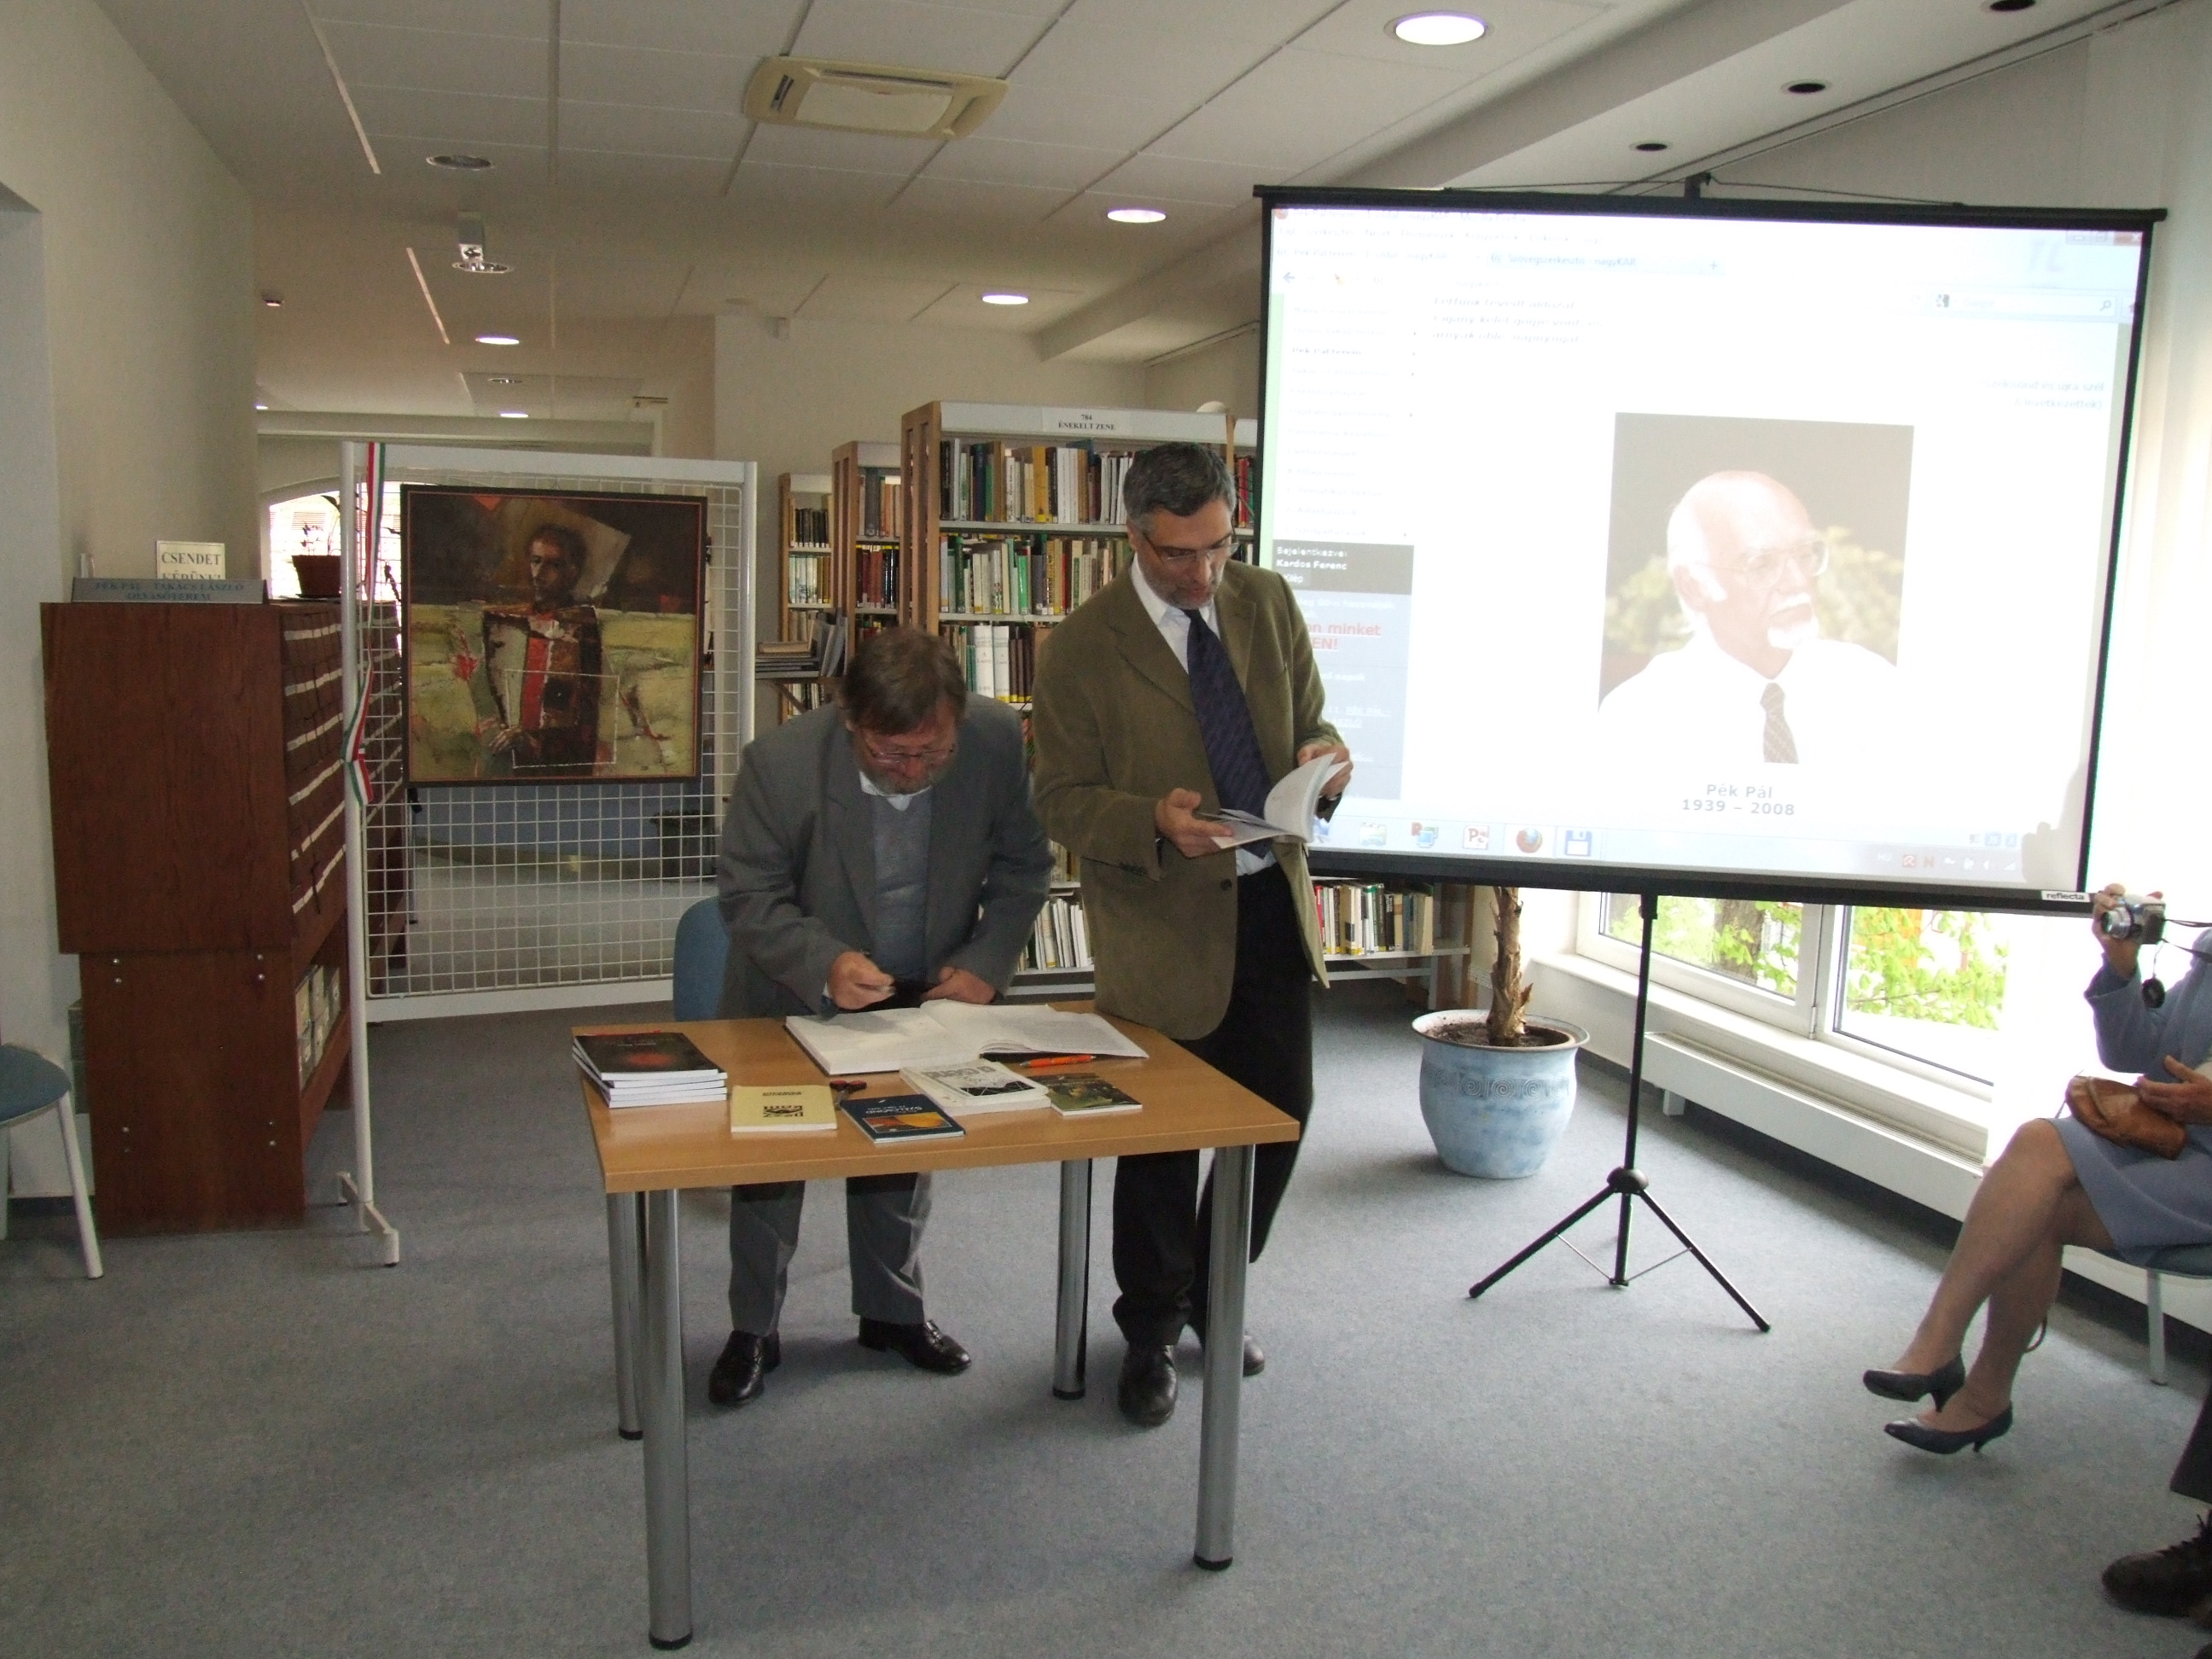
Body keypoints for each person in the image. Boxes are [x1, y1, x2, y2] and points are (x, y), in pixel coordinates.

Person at [1029, 442, 1352, 1429]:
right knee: (1162, 1142)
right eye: (1180, 554)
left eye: (1219, 546)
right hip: (1163, 923)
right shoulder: (1083, 645)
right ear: (1134, 537)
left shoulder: (1268, 601)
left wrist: (1325, 761)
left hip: (1268, 906)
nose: (1205, 573)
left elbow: (1314, 721)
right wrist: (1151, 822)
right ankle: (1151, 1328)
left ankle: (1215, 1294)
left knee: (1280, 1116)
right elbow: (1060, 798)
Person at [708, 626, 1054, 1408]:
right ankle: (754, 1326)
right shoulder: (781, 763)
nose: (913, 773)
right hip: (793, 991)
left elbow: (1024, 866)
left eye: (933, 754)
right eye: (891, 754)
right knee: (770, 1170)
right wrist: (826, 962)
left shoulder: (996, 741)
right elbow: (750, 896)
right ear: (849, 718)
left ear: (958, 722)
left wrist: (987, 960)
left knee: (902, 1149)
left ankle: (892, 1313)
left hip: (923, 988)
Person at [1864, 882, 2212, 1454]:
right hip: (2174, 1144)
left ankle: (1962, 1375)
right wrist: (2121, 966)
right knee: (2037, 1154)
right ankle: (1952, 1359)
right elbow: (2134, 1054)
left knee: (2040, 1201)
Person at [1596, 470, 1895, 765]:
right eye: (1761, 564)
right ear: (1694, 586)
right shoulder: (1640, 720)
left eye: (1805, 554)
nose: (1798, 580)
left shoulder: (1872, 687)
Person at [474, 522, 605, 774]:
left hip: (557, 768)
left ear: (573, 571)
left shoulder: (582, 628)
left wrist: (531, 741)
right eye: (535, 561)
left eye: (553, 565)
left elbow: (584, 722)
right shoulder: (509, 621)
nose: (539, 573)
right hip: (506, 761)